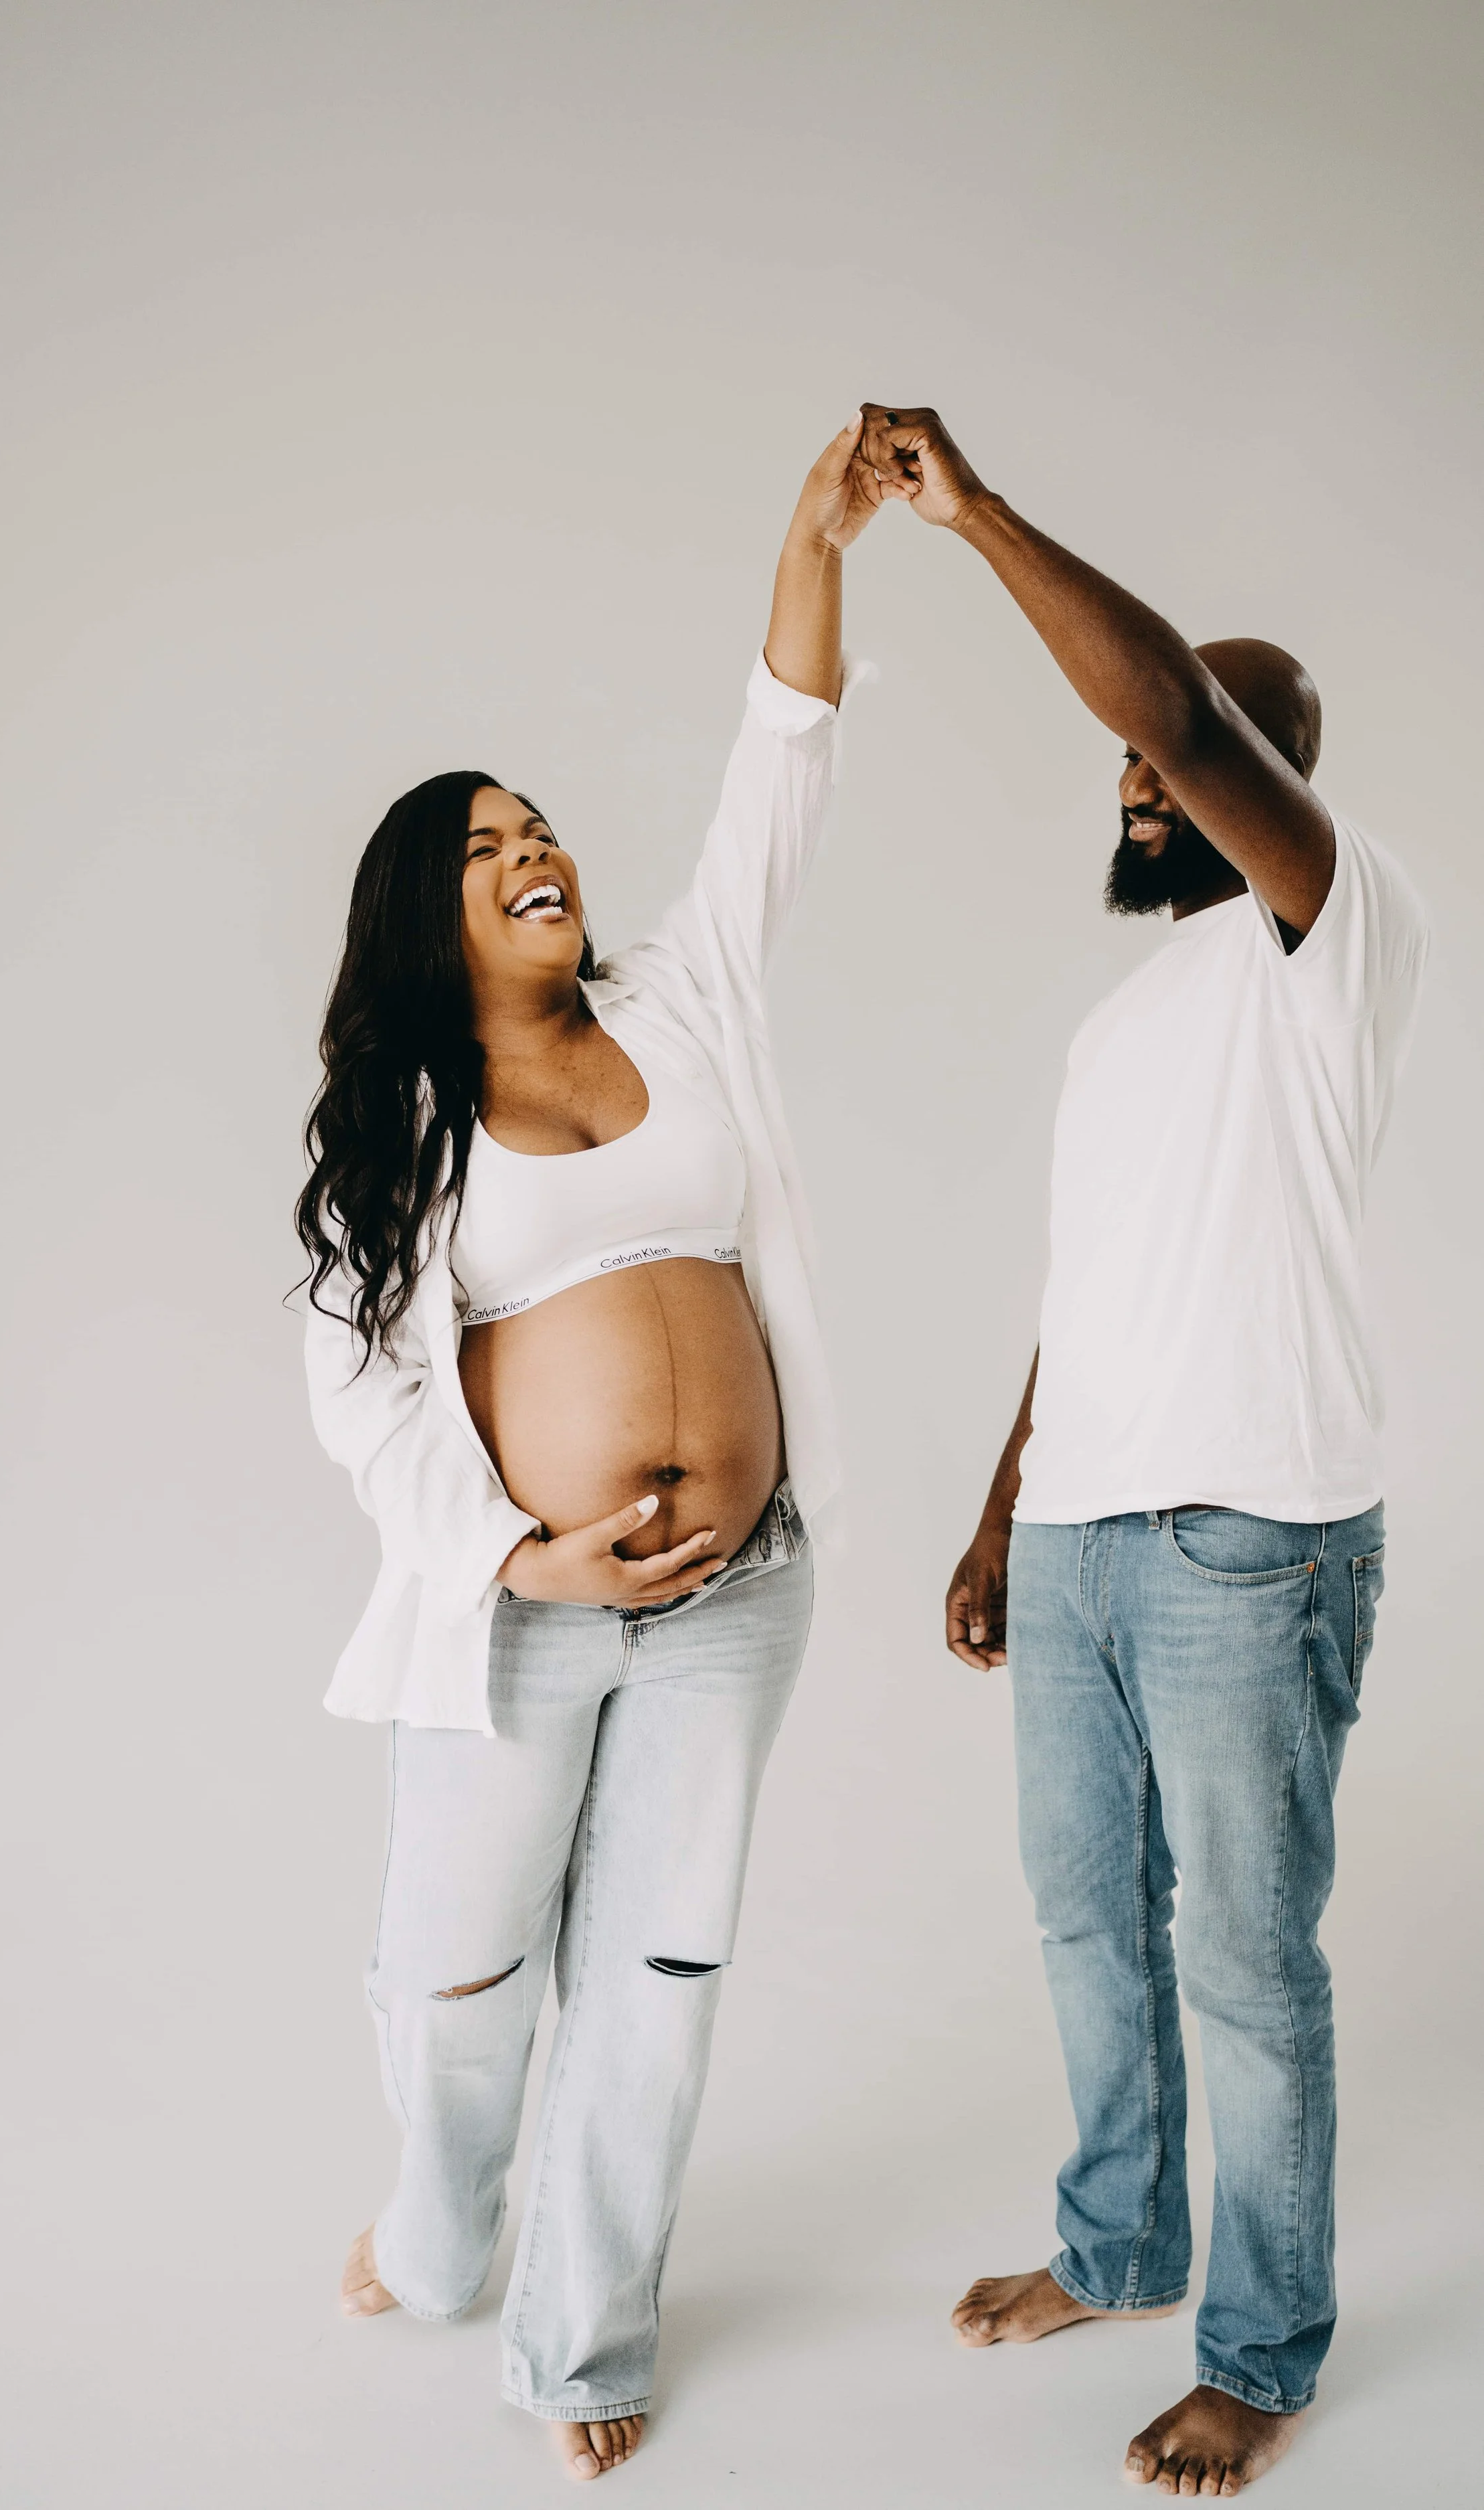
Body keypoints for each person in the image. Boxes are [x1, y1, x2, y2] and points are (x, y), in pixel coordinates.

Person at [296, 416, 896, 2484]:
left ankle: (582, 2333)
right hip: (523, 1616)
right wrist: (506, 1563)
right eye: (483, 846)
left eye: (537, 822)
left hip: (742, 1593)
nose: (532, 846)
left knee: (653, 1969)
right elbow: (360, 1390)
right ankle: (442, 2217)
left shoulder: (688, 1003)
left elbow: (777, 770)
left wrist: (810, 535)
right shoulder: (410, 1128)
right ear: (425, 921)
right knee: (466, 1973)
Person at [861, 405, 1428, 2496]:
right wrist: (1004, 1513)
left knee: (1242, 1962)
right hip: (1092, 1531)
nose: (1137, 774)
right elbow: (1076, 1294)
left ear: (1266, 780)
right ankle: (1118, 2244)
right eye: (1126, 766)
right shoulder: (1125, 1025)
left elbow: (1182, 701)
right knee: (1087, 1918)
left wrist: (973, 512)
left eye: (1175, 756)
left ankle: (1260, 2352)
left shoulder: (1330, 925)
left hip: (1243, 1538)